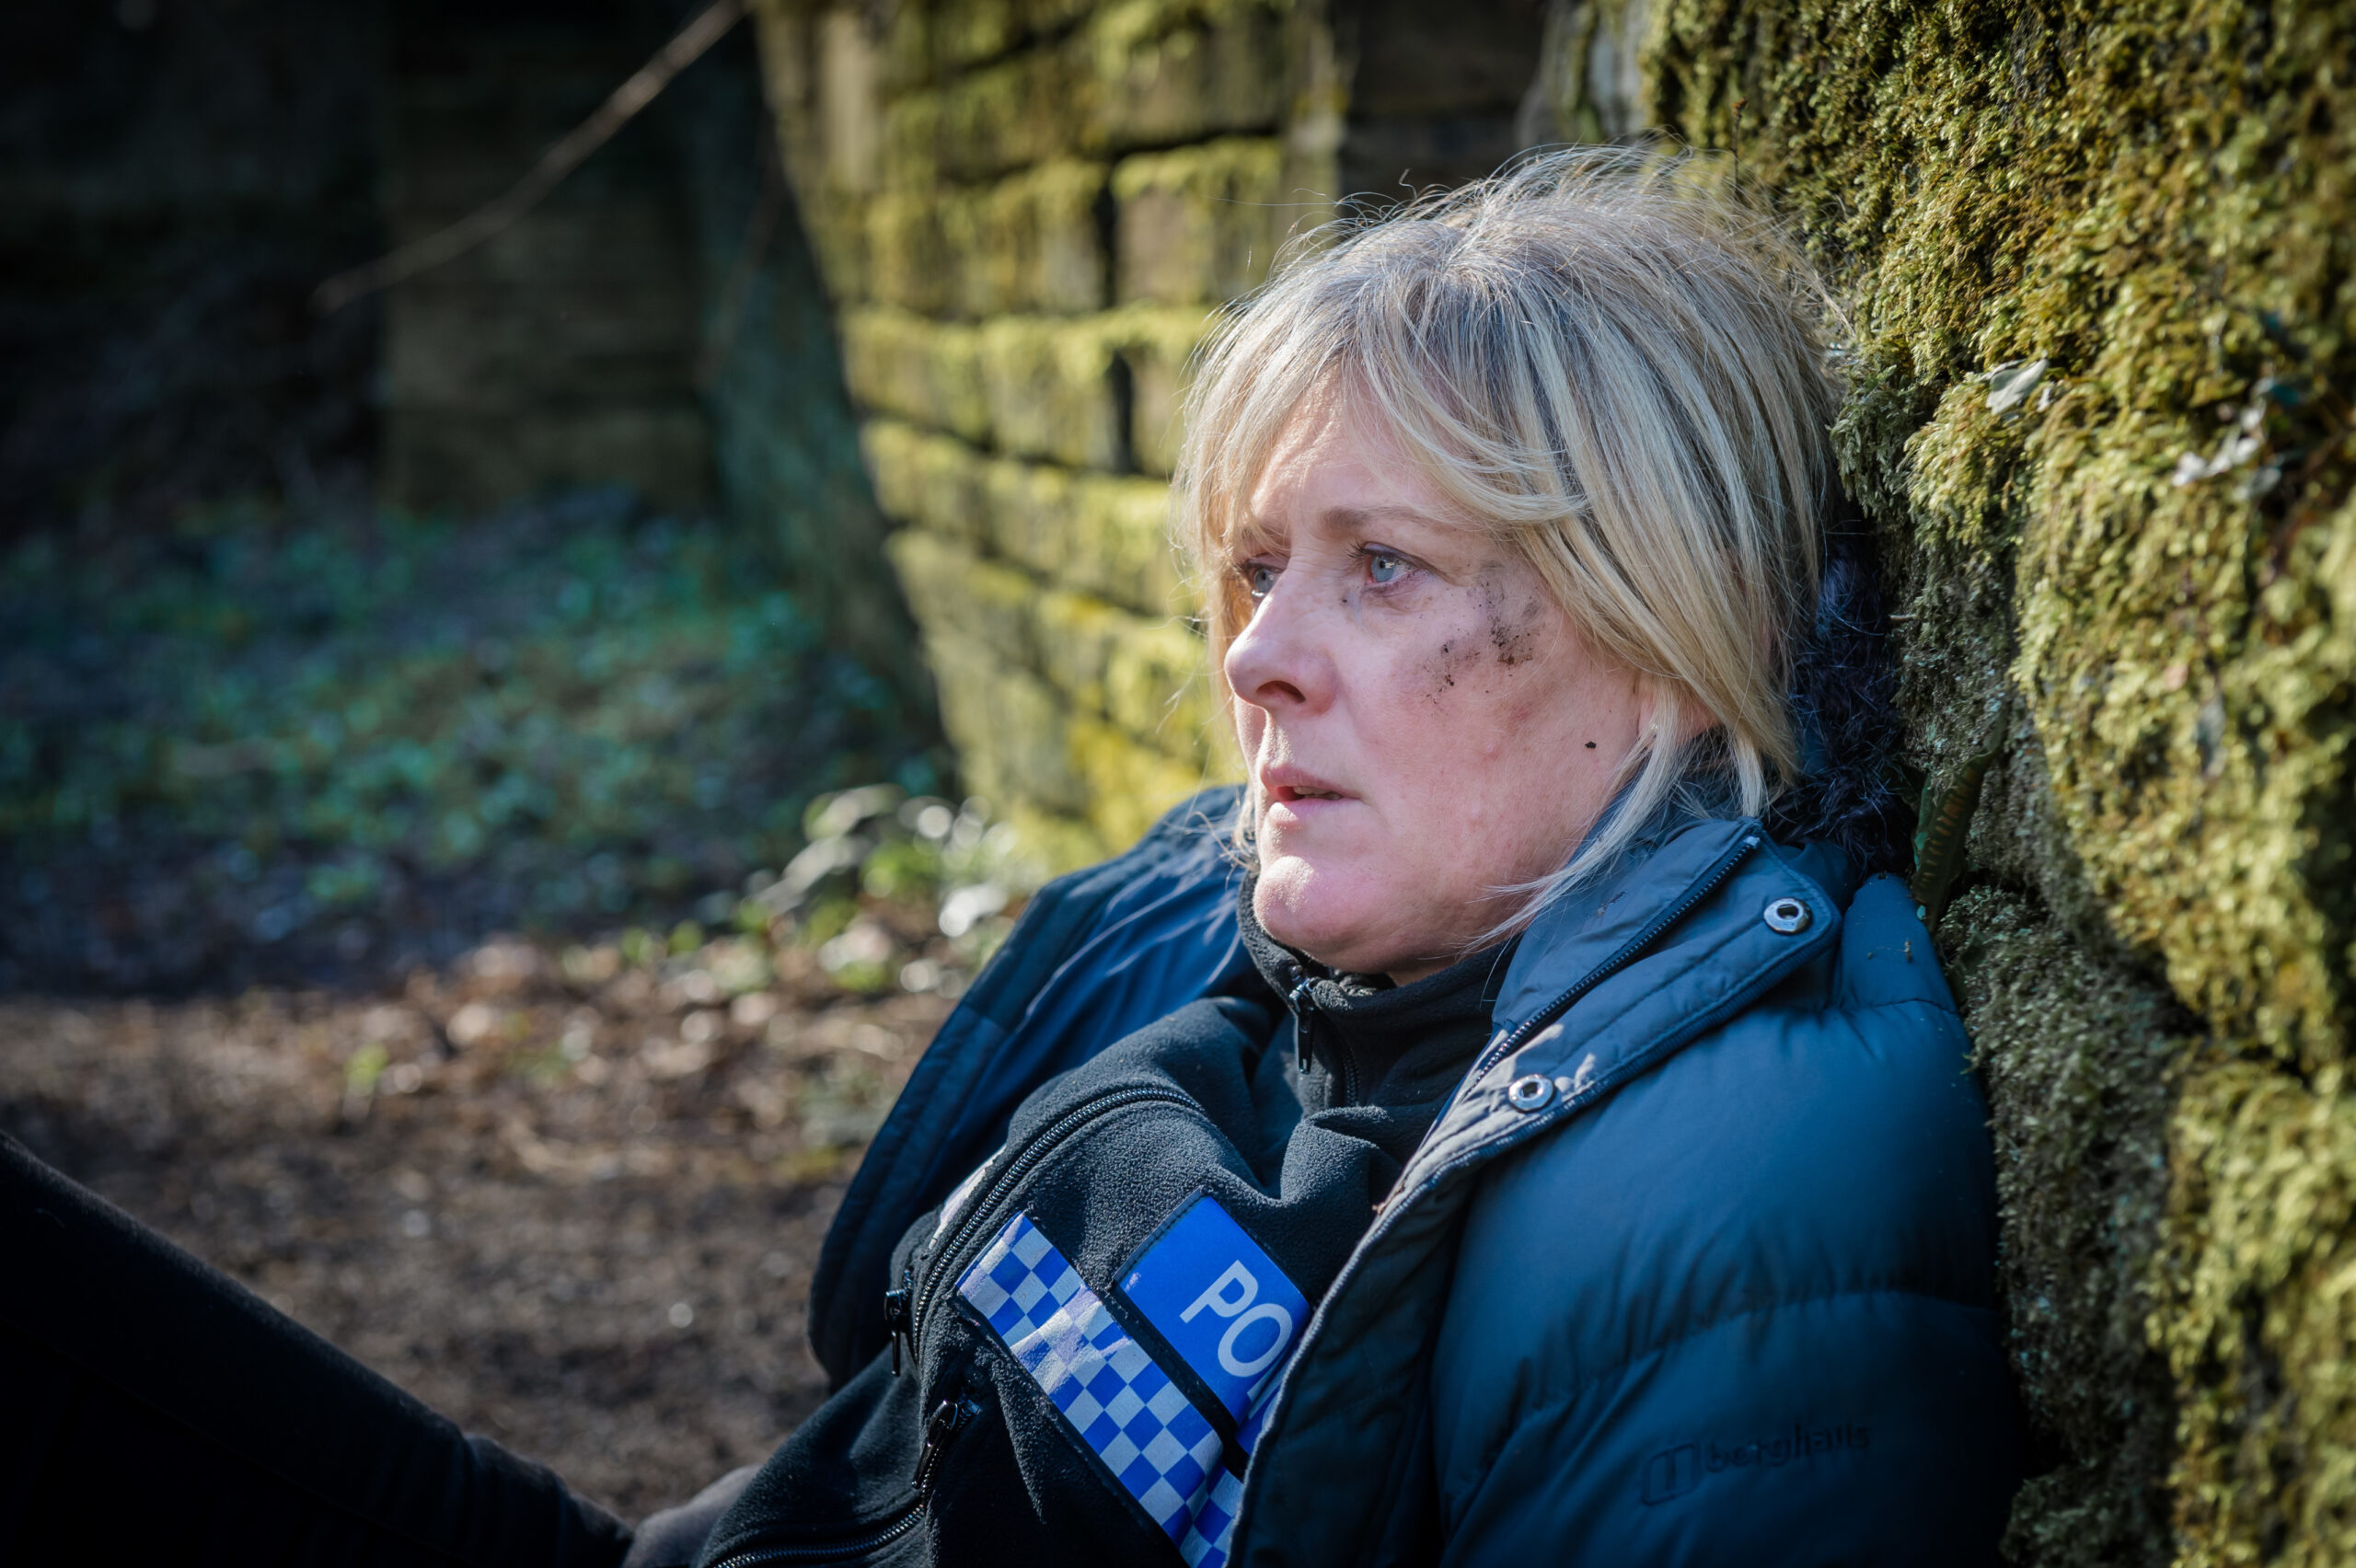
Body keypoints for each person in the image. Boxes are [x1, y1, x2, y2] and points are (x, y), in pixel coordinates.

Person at [0, 148, 2018, 1568]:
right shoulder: (1299, 925)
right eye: (1252, 566)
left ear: (1666, 644)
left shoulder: (1732, 1207)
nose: (1251, 657)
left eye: (1380, 568)